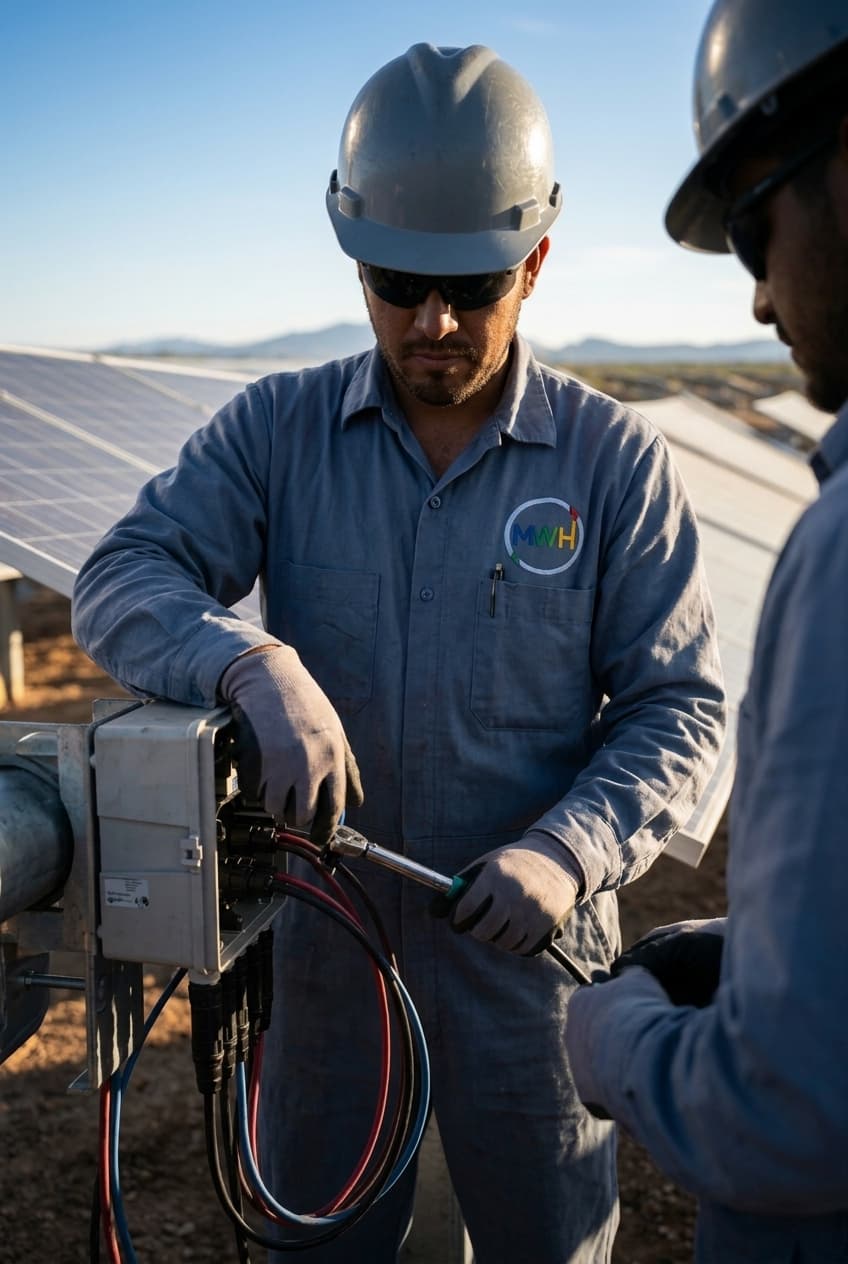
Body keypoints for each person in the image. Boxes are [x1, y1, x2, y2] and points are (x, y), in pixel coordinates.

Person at [72, 43, 725, 1264]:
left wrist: (565, 849)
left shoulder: (612, 465)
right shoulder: (277, 431)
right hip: (326, 977)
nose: (431, 322)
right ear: (351, 262)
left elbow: (678, 709)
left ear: (532, 262)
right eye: (392, 282)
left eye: (471, 288)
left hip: (530, 974)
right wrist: (247, 664)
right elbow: (121, 577)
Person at [564, 3, 848, 1261]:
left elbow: (787, 1120)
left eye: (752, 222)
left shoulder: (838, 554)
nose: (752, 297)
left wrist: (613, 1041)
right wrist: (767, 953)